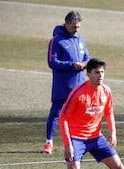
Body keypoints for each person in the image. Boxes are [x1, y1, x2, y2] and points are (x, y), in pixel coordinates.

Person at [43, 10, 90, 154]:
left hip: (80, 85)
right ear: (67, 23)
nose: (76, 30)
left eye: (78, 27)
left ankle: (79, 141)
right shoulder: (56, 41)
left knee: (81, 113)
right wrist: (72, 65)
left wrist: (85, 63)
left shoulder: (80, 39)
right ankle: (48, 143)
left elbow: (87, 57)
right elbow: (52, 62)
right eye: (74, 27)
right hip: (63, 85)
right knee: (56, 113)